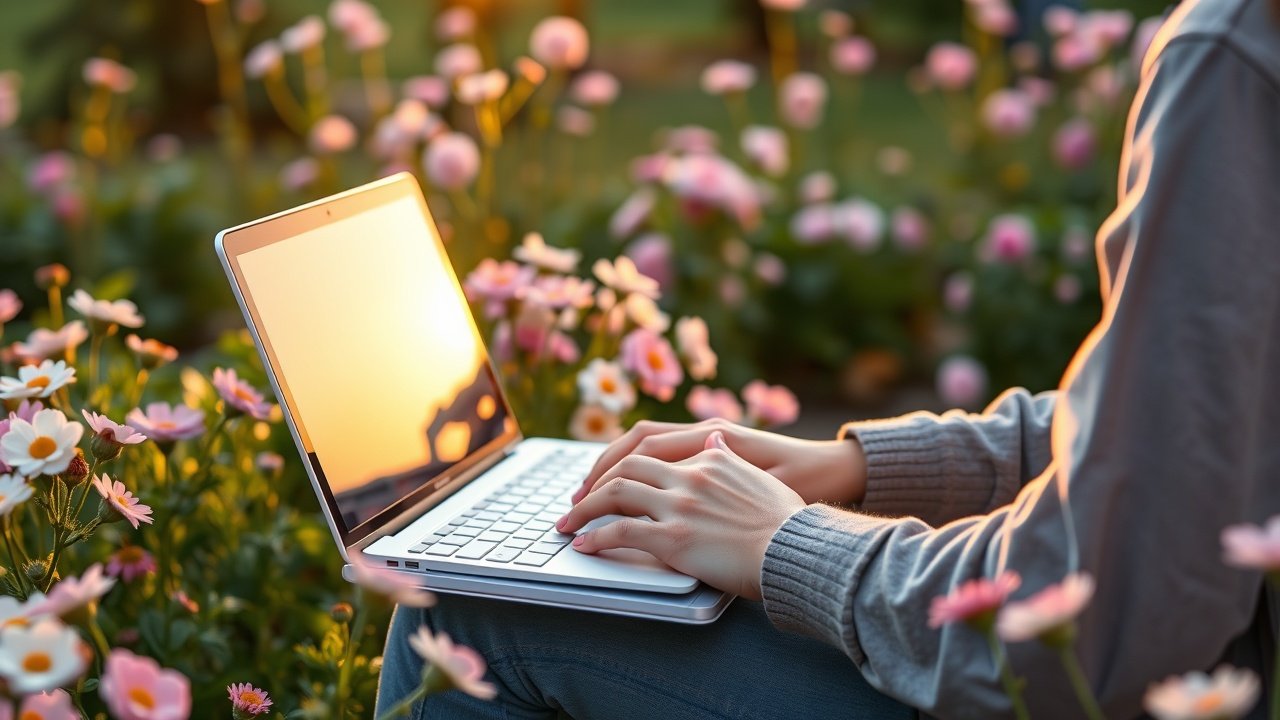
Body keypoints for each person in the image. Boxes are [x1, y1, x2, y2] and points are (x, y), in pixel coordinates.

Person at [377, 0, 1280, 716]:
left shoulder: (1235, 55)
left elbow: (1092, 631)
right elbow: (1196, 436)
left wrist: (787, 544)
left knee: (469, 612)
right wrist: (853, 466)